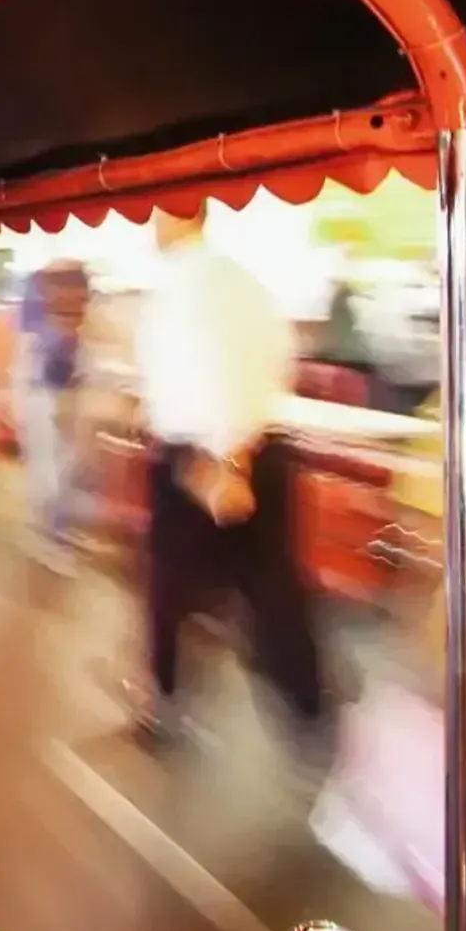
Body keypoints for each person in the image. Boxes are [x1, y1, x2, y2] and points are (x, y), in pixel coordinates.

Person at [130, 211, 323, 751]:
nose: (152, 227)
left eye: (157, 217)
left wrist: (220, 466)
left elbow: (193, 379)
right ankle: (309, 709)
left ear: (175, 218)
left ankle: (167, 700)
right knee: (271, 589)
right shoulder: (244, 282)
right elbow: (279, 360)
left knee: (169, 585)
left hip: (203, 456)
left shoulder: (179, 290)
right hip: (259, 447)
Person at [14, 260, 91, 552]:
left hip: (65, 387)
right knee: (49, 465)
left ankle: (57, 527)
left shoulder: (50, 292)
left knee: (67, 463)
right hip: (43, 389)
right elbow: (28, 344)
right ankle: (47, 530)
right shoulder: (37, 290)